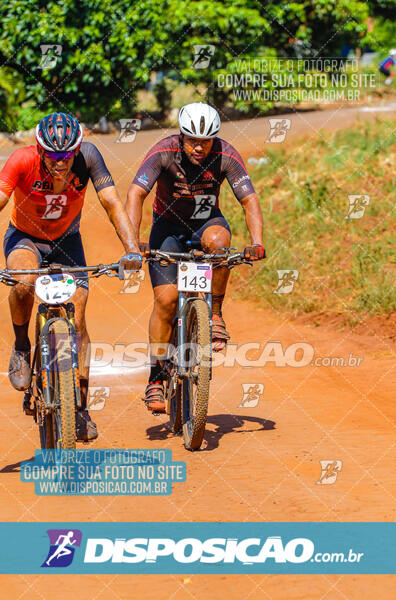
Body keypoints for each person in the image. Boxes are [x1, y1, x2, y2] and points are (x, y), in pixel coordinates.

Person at [0, 112, 142, 440]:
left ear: (77, 150)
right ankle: (22, 346)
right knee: (23, 281)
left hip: (67, 241)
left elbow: (111, 202)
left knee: (78, 319)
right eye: (52, 156)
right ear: (39, 150)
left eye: (67, 155)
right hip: (25, 237)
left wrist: (132, 249)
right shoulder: (22, 160)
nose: (60, 163)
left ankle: (79, 408)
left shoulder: (89, 157)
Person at [126, 102, 265, 412]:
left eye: (206, 141)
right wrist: (133, 244)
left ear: (215, 138)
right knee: (165, 301)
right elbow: (136, 193)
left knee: (221, 244)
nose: (199, 147)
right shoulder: (163, 152)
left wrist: (257, 242)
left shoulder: (225, 155)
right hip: (167, 230)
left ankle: (214, 313)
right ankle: (156, 378)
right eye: (192, 140)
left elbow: (249, 199)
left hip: (206, 223)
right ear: (181, 135)